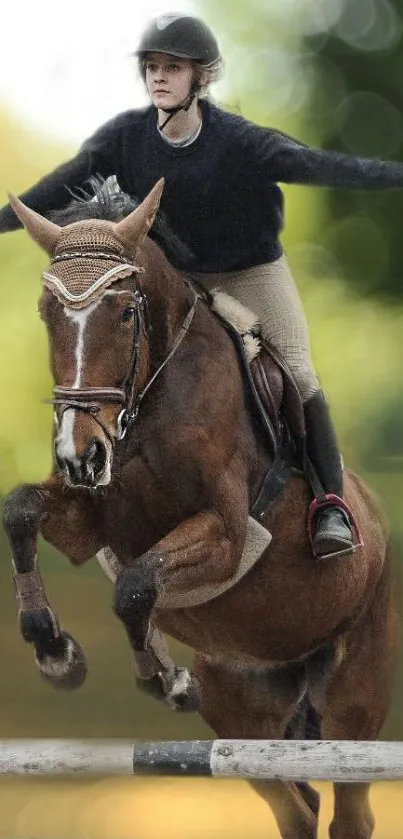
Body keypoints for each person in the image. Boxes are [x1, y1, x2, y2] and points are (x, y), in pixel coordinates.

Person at [2, 12, 403, 558]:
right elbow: (56, 187)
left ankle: (330, 503)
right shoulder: (125, 138)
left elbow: (320, 164)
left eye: (173, 67)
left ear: (202, 78)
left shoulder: (240, 142)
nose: (159, 77)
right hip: (177, 277)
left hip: (249, 271)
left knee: (299, 369)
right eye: (152, 68)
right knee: (110, 340)